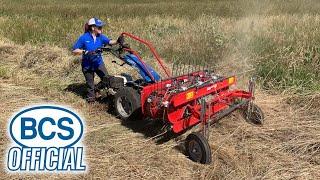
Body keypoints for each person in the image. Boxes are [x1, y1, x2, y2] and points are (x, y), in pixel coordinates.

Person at [72, 17, 119, 103]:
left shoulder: (101, 37)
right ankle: (91, 101)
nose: (101, 29)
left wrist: (118, 41)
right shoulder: (84, 38)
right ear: (93, 28)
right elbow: (74, 50)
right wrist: (85, 52)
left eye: (101, 27)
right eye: (99, 27)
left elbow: (109, 41)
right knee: (90, 85)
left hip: (98, 63)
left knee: (107, 80)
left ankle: (98, 90)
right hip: (87, 65)